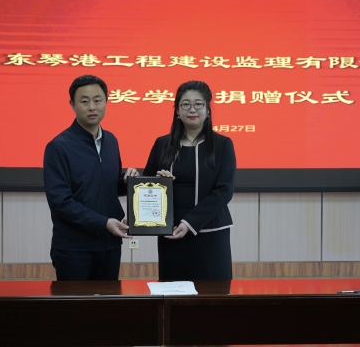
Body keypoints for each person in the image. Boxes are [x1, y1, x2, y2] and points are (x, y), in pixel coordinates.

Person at [43, 74, 138, 281]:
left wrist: (127, 182)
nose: (92, 107)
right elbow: (60, 202)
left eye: (97, 100)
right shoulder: (58, 147)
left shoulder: (111, 140)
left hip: (110, 244)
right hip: (74, 248)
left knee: (108, 301)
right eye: (84, 101)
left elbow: (108, 186)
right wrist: (103, 222)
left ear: (106, 101)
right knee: (75, 303)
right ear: (72, 104)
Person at [143, 80, 236, 281]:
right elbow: (146, 184)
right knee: (173, 291)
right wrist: (159, 183)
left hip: (211, 233)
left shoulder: (222, 144)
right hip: (171, 232)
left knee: (213, 292)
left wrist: (190, 222)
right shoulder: (162, 144)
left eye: (198, 104)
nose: (192, 109)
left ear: (208, 110)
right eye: (185, 104)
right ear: (177, 111)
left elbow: (224, 190)